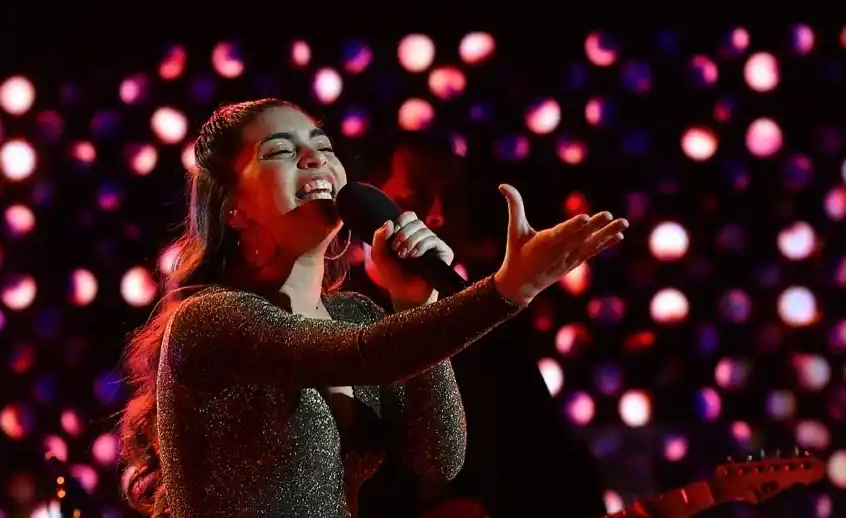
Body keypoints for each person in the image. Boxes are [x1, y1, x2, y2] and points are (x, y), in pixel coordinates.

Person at [118, 98, 628, 518]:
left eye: (323, 146)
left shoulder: (355, 314)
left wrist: (414, 299)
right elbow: (362, 355)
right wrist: (508, 288)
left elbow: (437, 458)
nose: (314, 158)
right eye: (281, 151)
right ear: (234, 207)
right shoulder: (209, 320)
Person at [358, 132, 609, 518]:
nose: (438, 215)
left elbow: (554, 462)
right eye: (415, 197)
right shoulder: (335, 319)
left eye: (453, 201)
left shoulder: (494, 328)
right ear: (367, 205)